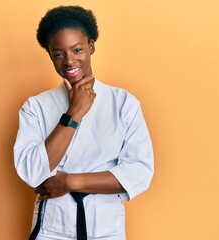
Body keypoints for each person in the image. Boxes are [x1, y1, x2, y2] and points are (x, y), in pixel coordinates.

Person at [14, 5, 154, 240]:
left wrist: (69, 182)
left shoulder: (123, 104)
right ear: (50, 55)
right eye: (58, 54)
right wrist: (74, 113)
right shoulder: (35, 107)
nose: (69, 61)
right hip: (52, 228)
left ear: (91, 46)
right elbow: (32, 172)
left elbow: (139, 172)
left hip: (106, 228)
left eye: (77, 49)